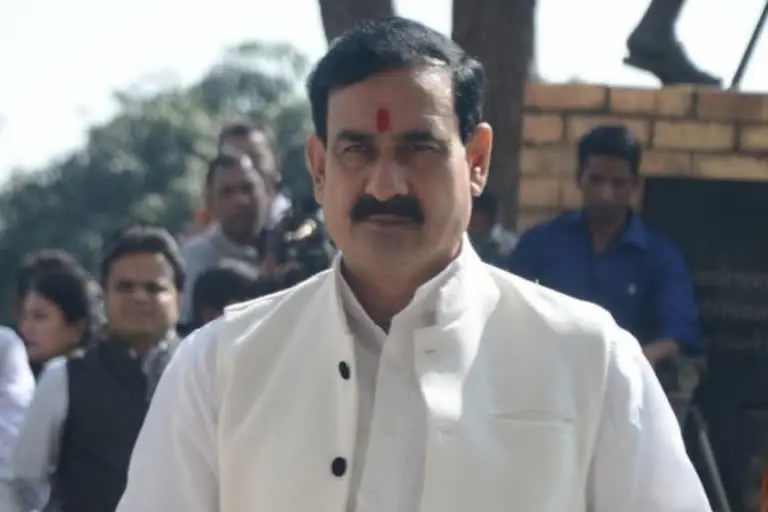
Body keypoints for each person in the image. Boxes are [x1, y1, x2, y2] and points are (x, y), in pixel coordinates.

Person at [117, 17, 709, 512]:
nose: (385, 184)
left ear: (476, 161)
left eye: (418, 148)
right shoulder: (221, 366)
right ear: (319, 168)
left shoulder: (589, 360)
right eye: (357, 150)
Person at [13, 223, 184, 512]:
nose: (139, 297)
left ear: (179, 297)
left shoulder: (207, 372)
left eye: (154, 287)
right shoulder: (64, 377)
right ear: (104, 295)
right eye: (125, 287)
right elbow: (21, 484)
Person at [508, 125, 701, 373]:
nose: (606, 194)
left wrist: (635, 361)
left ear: (634, 185)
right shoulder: (540, 243)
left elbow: (679, 332)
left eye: (618, 183)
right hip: (547, 376)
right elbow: (508, 312)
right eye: (596, 180)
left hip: (626, 380)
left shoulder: (660, 256)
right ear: (579, 178)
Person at [180, 153, 269, 323]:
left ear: (265, 191)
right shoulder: (193, 260)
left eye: (248, 188)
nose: (240, 201)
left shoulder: (290, 245)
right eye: (227, 192)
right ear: (209, 201)